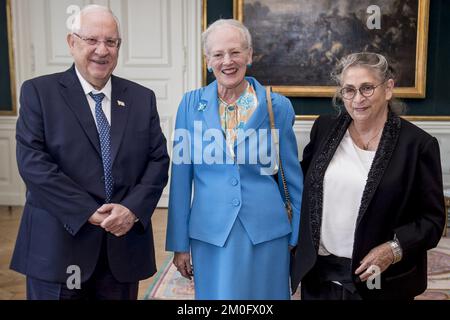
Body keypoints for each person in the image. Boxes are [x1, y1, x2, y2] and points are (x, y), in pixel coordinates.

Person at [10, 5, 169, 300]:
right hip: (58, 251)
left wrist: (132, 210)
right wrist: (88, 212)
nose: (102, 50)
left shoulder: (140, 98)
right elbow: (33, 164)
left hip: (121, 250)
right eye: (92, 40)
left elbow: (158, 161)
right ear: (72, 43)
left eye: (111, 42)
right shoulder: (39, 93)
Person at [165, 19, 303, 300]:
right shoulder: (190, 106)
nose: (227, 61)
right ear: (208, 61)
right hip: (211, 235)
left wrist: (296, 235)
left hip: (267, 233)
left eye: (235, 52)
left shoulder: (277, 106)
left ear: (249, 55)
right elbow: (180, 178)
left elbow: (291, 177)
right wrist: (179, 243)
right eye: (217, 54)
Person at [290, 52, 445, 300]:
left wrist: (393, 249)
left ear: (388, 88)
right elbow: (299, 181)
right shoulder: (325, 128)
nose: (357, 99)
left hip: (379, 280)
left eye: (367, 88)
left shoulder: (418, 145)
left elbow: (432, 221)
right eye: (349, 90)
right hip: (320, 276)